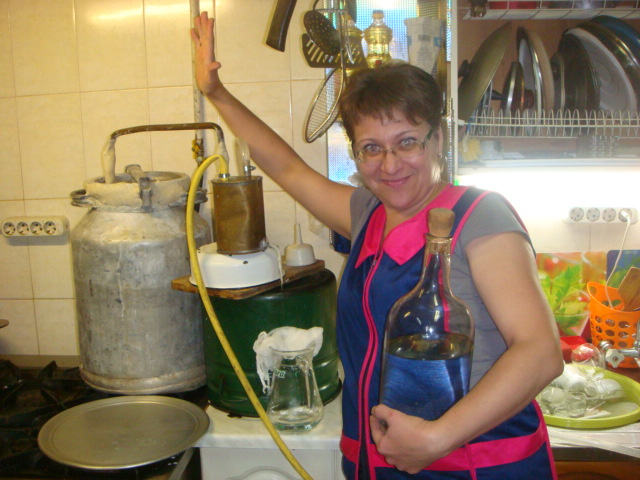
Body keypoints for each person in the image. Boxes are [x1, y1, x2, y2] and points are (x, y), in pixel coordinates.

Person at [191, 11, 563, 480]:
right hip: (378, 462)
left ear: (437, 140)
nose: (390, 164)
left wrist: (437, 439)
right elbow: (287, 168)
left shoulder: (479, 215)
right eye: (371, 148)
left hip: (471, 463)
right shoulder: (367, 214)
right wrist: (216, 93)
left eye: (407, 142)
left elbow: (540, 352)